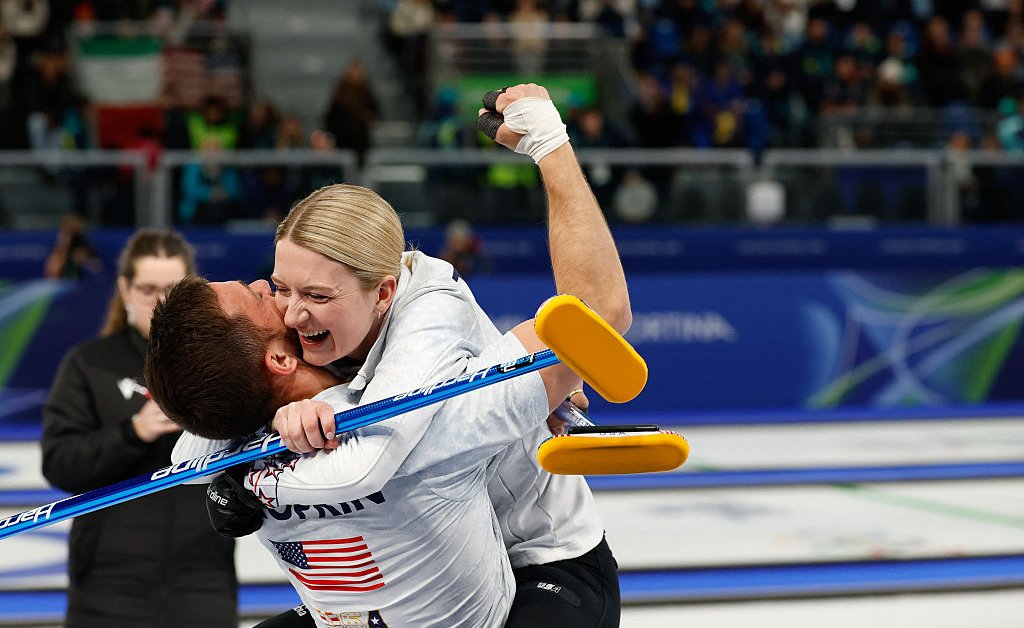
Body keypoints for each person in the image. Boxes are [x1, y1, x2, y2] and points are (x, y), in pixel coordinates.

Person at [157, 83, 628, 627]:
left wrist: (549, 143)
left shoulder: (428, 322)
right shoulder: (300, 346)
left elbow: (598, 317)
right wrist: (228, 470)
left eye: (317, 297)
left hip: (534, 554)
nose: (291, 314)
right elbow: (202, 423)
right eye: (280, 288)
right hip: (414, 577)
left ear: (383, 293)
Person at [40, 230, 238, 628]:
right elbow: (59, 463)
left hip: (203, 581)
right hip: (107, 586)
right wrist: (132, 432)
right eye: (148, 289)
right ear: (125, 289)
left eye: (173, 289)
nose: (160, 302)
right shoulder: (89, 363)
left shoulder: (224, 366)